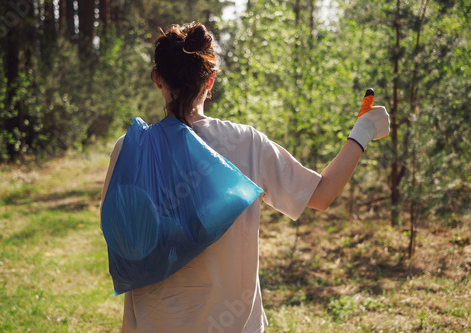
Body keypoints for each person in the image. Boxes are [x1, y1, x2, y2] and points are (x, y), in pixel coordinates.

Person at [100, 22, 389, 333]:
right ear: (210, 81)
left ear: (158, 78)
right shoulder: (246, 143)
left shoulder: (130, 149)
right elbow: (321, 195)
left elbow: (121, 237)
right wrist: (363, 130)